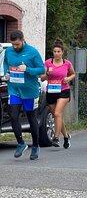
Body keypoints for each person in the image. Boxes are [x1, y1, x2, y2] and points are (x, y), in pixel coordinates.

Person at [3, 30, 45, 160]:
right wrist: (6, 73)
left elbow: (42, 69)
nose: (15, 47)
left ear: (23, 40)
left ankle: (36, 146)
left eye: (17, 44)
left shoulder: (32, 52)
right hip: (14, 89)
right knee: (13, 115)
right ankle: (21, 143)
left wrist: (27, 69)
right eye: (13, 44)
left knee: (31, 118)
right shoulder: (9, 51)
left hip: (29, 91)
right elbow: (5, 63)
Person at [40, 38, 75, 148]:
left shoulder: (67, 63)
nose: (56, 54)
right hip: (51, 91)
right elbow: (42, 78)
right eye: (55, 52)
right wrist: (47, 74)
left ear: (62, 52)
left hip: (63, 91)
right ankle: (66, 136)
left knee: (57, 113)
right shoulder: (47, 63)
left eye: (59, 52)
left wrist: (68, 79)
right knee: (57, 115)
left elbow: (73, 74)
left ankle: (56, 138)